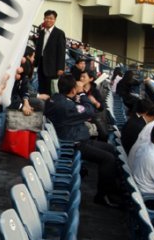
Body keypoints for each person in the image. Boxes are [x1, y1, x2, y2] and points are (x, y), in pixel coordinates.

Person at [44, 74, 120, 207]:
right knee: (108, 158)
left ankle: (112, 189)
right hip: (73, 143)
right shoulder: (66, 106)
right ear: (73, 90)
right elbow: (89, 111)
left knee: (111, 149)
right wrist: (82, 93)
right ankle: (102, 196)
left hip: (74, 136)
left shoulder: (55, 99)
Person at [34, 9, 66, 95]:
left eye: (51, 18)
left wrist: (60, 68)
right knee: (41, 87)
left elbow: (61, 51)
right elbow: (38, 49)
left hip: (52, 66)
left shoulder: (59, 33)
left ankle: (50, 105)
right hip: (41, 64)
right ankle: (43, 105)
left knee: (50, 89)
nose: (48, 20)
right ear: (44, 19)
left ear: (55, 20)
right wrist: (35, 63)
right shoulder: (41, 32)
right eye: (47, 18)